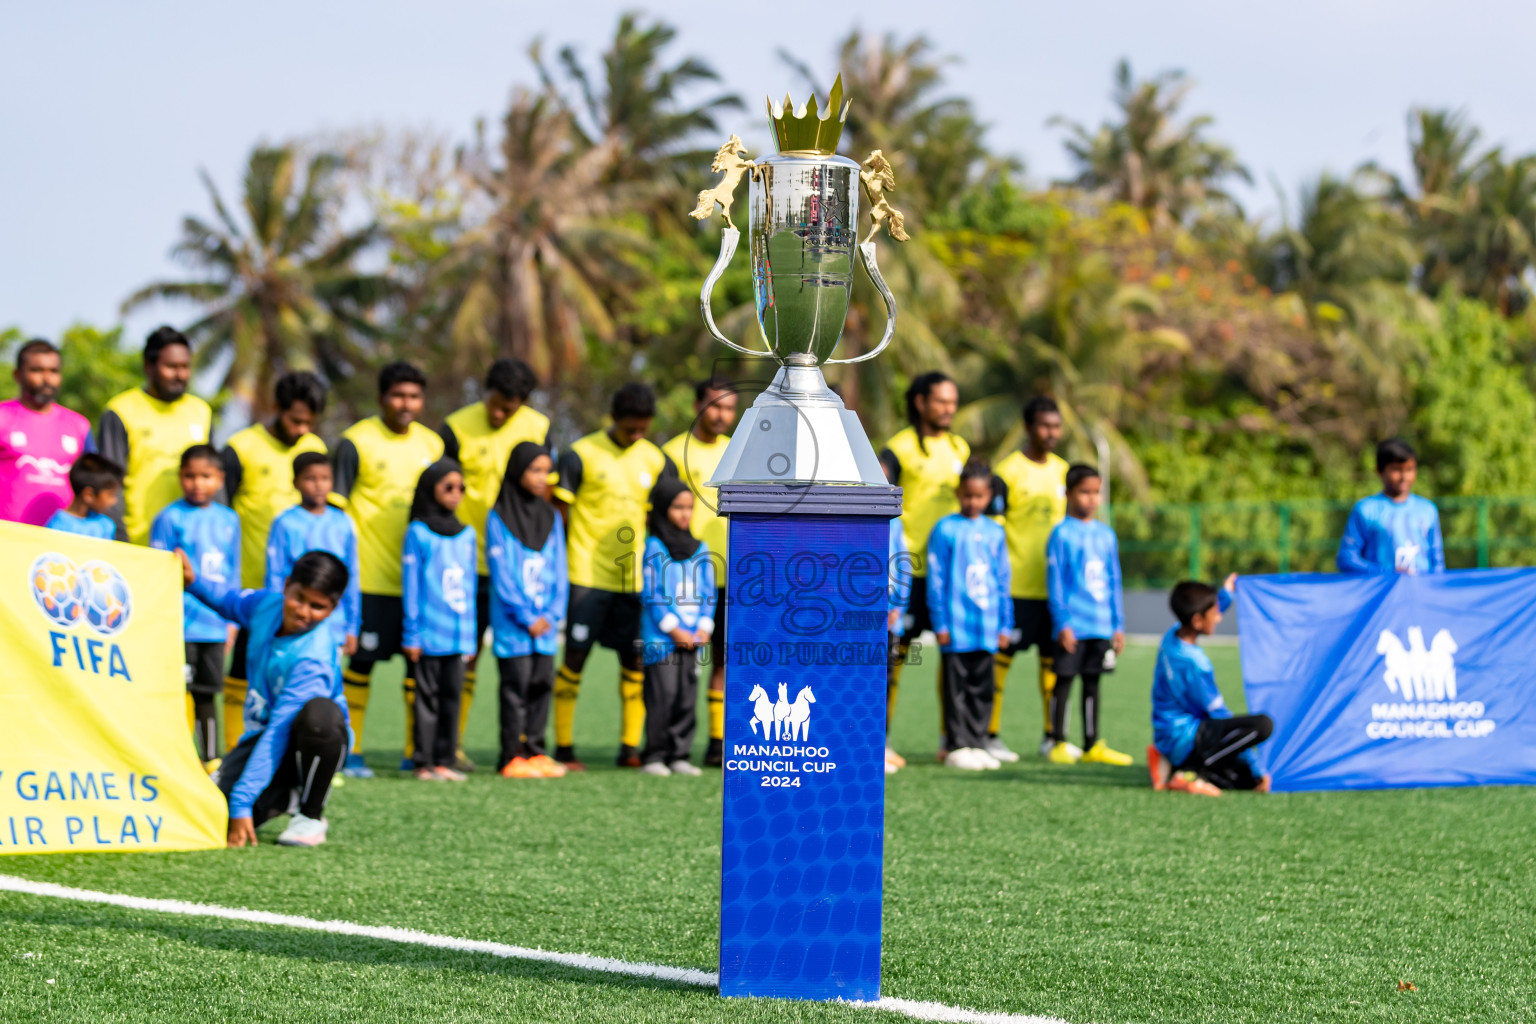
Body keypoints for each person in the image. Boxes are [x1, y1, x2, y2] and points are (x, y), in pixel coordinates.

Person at [179, 548, 352, 848]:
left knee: (319, 715)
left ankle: (310, 815)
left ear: (333, 609)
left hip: (303, 743)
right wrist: (193, 581)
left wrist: (241, 803)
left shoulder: (314, 658)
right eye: (299, 597)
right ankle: (285, 794)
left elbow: (280, 730)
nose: (304, 612)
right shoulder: (265, 606)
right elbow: (228, 601)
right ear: (286, 587)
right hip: (262, 740)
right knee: (204, 818)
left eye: (318, 606)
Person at [551, 382, 677, 770]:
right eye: (630, 428)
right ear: (613, 419)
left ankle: (629, 748)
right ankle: (564, 747)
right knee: (574, 658)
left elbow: (663, 518)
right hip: (585, 573)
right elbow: (560, 513)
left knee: (634, 662)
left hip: (633, 579)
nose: (636, 434)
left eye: (642, 428)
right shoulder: (580, 454)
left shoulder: (656, 460)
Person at [332, 361, 445, 778]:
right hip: (371, 580)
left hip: (420, 583)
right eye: (398, 395)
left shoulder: (433, 446)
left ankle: (418, 751)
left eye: (414, 396)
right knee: (361, 665)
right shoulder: (355, 442)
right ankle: (352, 749)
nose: (406, 404)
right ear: (381, 398)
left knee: (419, 670)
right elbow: (336, 511)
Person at [439, 358, 551, 767]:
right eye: (497, 404)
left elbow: (545, 491)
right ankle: (450, 745)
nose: (502, 414)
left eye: (512, 407)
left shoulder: (539, 426)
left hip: (519, 572)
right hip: (465, 566)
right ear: (484, 391)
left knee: (526, 664)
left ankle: (525, 747)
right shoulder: (454, 427)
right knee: (464, 657)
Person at [221, 372, 329, 753]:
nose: (302, 429)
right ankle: (234, 747)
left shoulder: (314, 448)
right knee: (242, 669)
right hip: (252, 588)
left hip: (301, 593)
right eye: (295, 419)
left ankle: (287, 747)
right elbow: (221, 516)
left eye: (309, 422)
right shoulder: (241, 447)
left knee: (292, 672)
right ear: (277, 410)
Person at [879, 372, 968, 766]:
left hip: (949, 574)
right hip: (908, 572)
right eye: (941, 401)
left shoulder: (959, 448)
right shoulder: (897, 449)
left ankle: (954, 740)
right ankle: (880, 741)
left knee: (955, 656)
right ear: (920, 402)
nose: (949, 408)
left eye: (953, 401)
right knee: (892, 655)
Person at [660, 376, 737, 767]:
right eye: (716, 406)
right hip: (685, 577)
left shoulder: (739, 452)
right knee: (675, 666)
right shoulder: (673, 453)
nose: (722, 415)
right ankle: (658, 745)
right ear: (698, 406)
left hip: (734, 574)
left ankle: (717, 743)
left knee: (724, 660)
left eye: (729, 408)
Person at [149, 445, 241, 771]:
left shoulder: (230, 520)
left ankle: (210, 758)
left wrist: (232, 621)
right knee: (176, 693)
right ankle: (172, 756)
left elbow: (233, 572)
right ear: (180, 477)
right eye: (189, 476)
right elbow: (158, 571)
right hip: (181, 624)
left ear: (220, 479)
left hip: (215, 625)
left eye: (205, 476)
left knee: (207, 693)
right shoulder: (169, 517)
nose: (197, 483)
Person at [989, 395, 1069, 760]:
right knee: (1001, 663)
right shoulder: (1007, 472)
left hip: (1054, 591)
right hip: (1016, 587)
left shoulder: (1065, 472)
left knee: (1052, 664)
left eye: (1056, 426)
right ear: (1028, 428)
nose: (1051, 433)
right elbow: (993, 530)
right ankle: (989, 735)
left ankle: (1053, 738)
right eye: (1044, 426)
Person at [486, 442, 568, 779]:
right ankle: (511, 756)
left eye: (545, 471)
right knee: (514, 688)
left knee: (541, 685)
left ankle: (535, 751)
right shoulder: (498, 516)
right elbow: (501, 573)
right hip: (514, 625)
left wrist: (551, 615)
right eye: (534, 470)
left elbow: (561, 570)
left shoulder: (551, 516)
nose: (541, 478)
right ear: (517, 470)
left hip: (545, 627)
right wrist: (527, 616)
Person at [1149, 577, 1273, 796]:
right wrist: (1257, 766)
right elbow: (1219, 716)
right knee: (1262, 726)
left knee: (1243, 781)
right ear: (1198, 620)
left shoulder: (1171, 636)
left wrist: (1225, 594)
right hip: (1185, 737)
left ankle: (1168, 761)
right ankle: (1188, 773)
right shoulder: (1196, 665)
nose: (1219, 616)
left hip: (1167, 734)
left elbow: (1199, 616)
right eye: (1215, 612)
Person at [927, 463, 1014, 771]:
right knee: (956, 689)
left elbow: (1003, 578)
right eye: (967, 496)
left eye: (979, 496)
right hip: (956, 626)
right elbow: (936, 578)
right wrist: (939, 622)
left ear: (989, 495)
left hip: (987, 626)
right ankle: (956, 744)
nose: (973, 502)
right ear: (958, 493)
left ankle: (978, 743)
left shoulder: (995, 531)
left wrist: (1005, 623)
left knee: (983, 688)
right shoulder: (945, 528)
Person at [1044, 465, 1131, 767]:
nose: (1092, 499)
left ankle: (1092, 743)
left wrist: (1117, 625)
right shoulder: (1061, 534)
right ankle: (1058, 741)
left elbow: (1114, 580)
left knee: (1093, 684)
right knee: (1064, 681)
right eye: (1085, 492)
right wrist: (1062, 623)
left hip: (1101, 625)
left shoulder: (1107, 535)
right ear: (1068, 494)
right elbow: (1055, 583)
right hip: (1074, 626)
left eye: (1096, 492)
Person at [98, 326, 212, 545]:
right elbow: (108, 483)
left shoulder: (201, 412)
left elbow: (213, 478)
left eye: (185, 367)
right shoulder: (121, 411)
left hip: (191, 544)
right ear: (149, 367)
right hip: (137, 541)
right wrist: (120, 538)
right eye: (171, 367)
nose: (180, 375)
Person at [401, 460, 477, 783]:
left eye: (461, 487)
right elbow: (412, 585)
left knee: (452, 697)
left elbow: (470, 585)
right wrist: (411, 634)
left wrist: (471, 636)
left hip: (459, 635)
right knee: (426, 699)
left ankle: (446, 760)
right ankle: (424, 762)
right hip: (429, 634)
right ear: (430, 489)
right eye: (448, 487)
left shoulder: (468, 534)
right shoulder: (418, 532)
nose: (456, 494)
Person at [638, 478, 716, 777]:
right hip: (663, 640)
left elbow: (709, 592)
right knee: (663, 694)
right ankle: (655, 755)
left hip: (693, 639)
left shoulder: (701, 548)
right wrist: (674, 629)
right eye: (677, 508)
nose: (685, 514)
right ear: (661, 510)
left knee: (686, 695)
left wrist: (704, 627)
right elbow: (652, 592)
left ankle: (680, 754)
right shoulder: (654, 546)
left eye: (689, 508)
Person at [265, 452, 361, 652]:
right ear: (295, 482)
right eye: (310, 478)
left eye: (325, 479)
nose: (319, 485)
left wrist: (352, 627)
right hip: (296, 620)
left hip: (334, 625)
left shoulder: (343, 522)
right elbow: (275, 576)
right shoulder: (285, 522)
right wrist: (275, 618)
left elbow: (352, 576)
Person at [0, 338, 96, 527]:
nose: (46, 378)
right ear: (18, 375)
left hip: (60, 544)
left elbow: (94, 484)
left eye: (53, 371)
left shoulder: (79, 425)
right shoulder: (3, 417)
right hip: (8, 541)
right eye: (36, 370)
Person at [1337, 438, 1444, 575]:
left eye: (1409, 469)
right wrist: (1386, 573)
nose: (1404, 476)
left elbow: (1437, 563)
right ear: (1379, 471)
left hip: (1420, 594)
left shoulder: (1428, 509)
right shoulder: (1365, 510)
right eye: (1396, 470)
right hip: (1381, 593)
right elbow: (1346, 558)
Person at [884, 517, 913, 773]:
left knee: (885, 682)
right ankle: (864, 746)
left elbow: (903, 565)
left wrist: (898, 608)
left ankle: (882, 744)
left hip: (889, 619)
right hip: (858, 618)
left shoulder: (896, 524)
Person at [44, 454, 124, 541]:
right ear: (88, 494)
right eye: (110, 495)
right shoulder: (57, 527)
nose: (114, 501)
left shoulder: (106, 525)